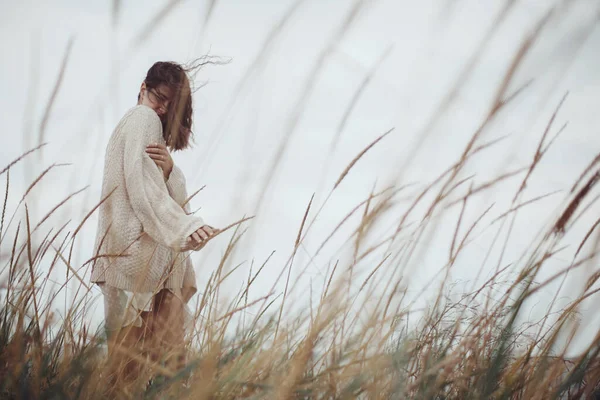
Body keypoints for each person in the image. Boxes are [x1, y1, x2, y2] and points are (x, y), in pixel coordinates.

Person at [89, 61, 216, 391]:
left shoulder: (139, 126)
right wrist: (185, 227)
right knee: (144, 373)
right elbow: (144, 191)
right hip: (138, 262)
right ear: (143, 87)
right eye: (158, 97)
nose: (161, 109)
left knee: (144, 371)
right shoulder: (141, 119)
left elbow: (153, 187)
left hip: (142, 262)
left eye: (169, 106)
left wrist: (172, 170)